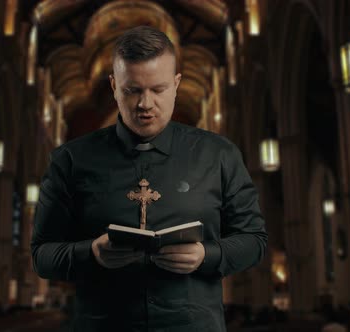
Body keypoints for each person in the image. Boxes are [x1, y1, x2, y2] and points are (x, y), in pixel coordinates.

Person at [31, 25, 267, 332]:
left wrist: (207, 255)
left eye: (158, 89)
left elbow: (254, 240)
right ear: (114, 85)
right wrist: (90, 253)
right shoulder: (70, 160)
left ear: (177, 84)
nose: (145, 104)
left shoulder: (219, 155)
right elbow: (41, 255)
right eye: (132, 90)